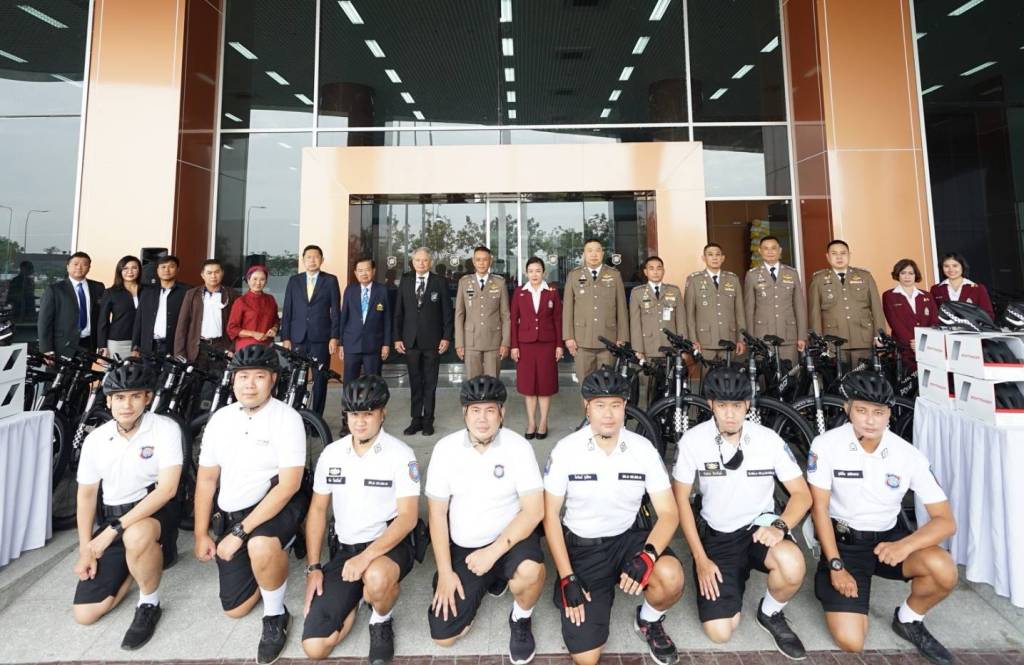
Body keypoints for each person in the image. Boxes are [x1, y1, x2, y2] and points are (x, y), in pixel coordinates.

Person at [808, 371, 957, 664]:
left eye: (879, 412)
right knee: (852, 642)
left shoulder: (908, 454)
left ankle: (909, 619)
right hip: (844, 543)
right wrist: (836, 565)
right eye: (862, 410)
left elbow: (945, 521)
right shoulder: (825, 445)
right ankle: (827, 579)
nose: (870, 420)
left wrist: (905, 545)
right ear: (847, 408)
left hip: (889, 542)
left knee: (944, 569)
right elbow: (819, 510)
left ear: (890, 412)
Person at [543, 368, 684, 665]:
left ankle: (648, 620)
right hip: (584, 547)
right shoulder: (566, 450)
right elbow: (550, 516)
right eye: (600, 405)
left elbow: (669, 513)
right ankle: (568, 587)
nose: (608, 414)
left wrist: (648, 556)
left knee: (671, 576)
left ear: (625, 406)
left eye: (616, 405)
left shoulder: (643, 449)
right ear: (586, 406)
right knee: (586, 657)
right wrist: (567, 576)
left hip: (628, 538)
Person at [671, 367, 811, 659]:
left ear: (747, 404)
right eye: (722, 405)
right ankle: (731, 578)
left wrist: (780, 526)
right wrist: (701, 559)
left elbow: (802, 494)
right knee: (720, 631)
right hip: (719, 534)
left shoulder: (768, 439)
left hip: (761, 527)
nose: (730, 414)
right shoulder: (693, 441)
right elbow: (680, 500)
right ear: (711, 404)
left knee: (792, 564)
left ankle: (770, 613)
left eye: (737, 405)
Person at [193, 344, 308, 664]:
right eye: (243, 377)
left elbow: (289, 485)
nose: (250, 384)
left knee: (260, 546)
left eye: (259, 376)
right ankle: (267, 562)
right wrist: (201, 533)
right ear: (233, 380)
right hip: (233, 512)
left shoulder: (287, 418)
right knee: (236, 609)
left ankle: (275, 614)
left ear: (273, 379)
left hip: (275, 504)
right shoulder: (220, 419)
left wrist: (240, 533)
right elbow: (206, 479)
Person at [425, 376, 546, 664]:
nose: (482, 418)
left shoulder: (518, 447)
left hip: (510, 540)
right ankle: (489, 579)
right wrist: (445, 572)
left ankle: (521, 617)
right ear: (464, 413)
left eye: (490, 410)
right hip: (465, 547)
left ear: (502, 413)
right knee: (443, 636)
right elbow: (437, 514)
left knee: (530, 572)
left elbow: (534, 511)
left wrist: (493, 553)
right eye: (475, 410)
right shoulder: (445, 449)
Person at [301, 375, 419, 663]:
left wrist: (365, 559)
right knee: (315, 648)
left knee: (376, 578)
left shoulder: (401, 455)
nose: (361, 422)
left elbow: (407, 518)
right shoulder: (332, 454)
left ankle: (381, 619)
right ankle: (355, 596)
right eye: (354, 414)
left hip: (388, 545)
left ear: (382, 413)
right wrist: (314, 568)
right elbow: (317, 511)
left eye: (368, 414)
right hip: (345, 550)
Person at [71, 364, 182, 650]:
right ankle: (137, 566)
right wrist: (86, 549)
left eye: (135, 396)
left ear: (147, 398)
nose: (127, 405)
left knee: (136, 535)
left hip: (154, 511)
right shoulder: (96, 439)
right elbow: (86, 496)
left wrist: (112, 532)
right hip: (113, 516)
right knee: (85, 614)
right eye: (119, 397)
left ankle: (149, 603)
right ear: (108, 401)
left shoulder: (164, 428)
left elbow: (167, 490)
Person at [393, 247, 453, 436]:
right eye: (417, 260)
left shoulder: (439, 282)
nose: (421, 263)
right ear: (412, 262)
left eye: (425, 260)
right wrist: (397, 338)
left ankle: (428, 420)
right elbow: (398, 312)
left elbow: (447, 313)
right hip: (410, 341)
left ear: (430, 262)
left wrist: (446, 337)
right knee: (415, 381)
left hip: (433, 341)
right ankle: (415, 419)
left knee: (430, 382)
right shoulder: (405, 280)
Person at [280, 245, 341, 415]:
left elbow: (336, 311)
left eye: (316, 257)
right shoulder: (294, 280)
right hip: (297, 338)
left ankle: (316, 418)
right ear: (303, 260)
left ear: (322, 260)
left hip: (321, 338)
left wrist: (334, 337)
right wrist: (285, 337)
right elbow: (287, 310)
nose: (312, 260)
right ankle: (297, 416)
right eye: (309, 257)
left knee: (320, 379)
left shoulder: (330, 280)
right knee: (297, 379)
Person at [510, 257, 563, 440]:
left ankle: (543, 423)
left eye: (538, 271)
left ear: (544, 273)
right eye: (531, 271)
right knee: (529, 386)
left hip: (547, 344)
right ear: (526, 273)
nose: (534, 274)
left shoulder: (552, 292)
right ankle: (531, 422)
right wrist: (514, 345)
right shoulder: (519, 292)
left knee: (545, 385)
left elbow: (557, 320)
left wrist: (559, 345)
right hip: (525, 344)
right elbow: (513, 320)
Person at [562, 238, 629, 383]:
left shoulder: (614, 275)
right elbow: (567, 309)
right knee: (585, 385)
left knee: (607, 385)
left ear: (603, 254)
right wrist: (568, 337)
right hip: (582, 341)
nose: (594, 254)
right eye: (590, 251)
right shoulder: (574, 275)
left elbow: (621, 307)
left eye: (598, 250)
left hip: (609, 341)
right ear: (584, 254)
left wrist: (622, 336)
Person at [808, 240, 885, 362]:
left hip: (863, 338)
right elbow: (814, 313)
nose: (839, 257)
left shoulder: (865, 277)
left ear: (849, 255)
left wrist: (879, 336)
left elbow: (877, 309)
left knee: (863, 373)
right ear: (827, 256)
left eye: (843, 253)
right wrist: (818, 341)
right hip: (833, 341)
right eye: (834, 253)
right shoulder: (818, 279)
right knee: (838, 373)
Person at [744, 236, 807, 365]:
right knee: (765, 373)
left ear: (780, 250)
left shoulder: (792, 273)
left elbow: (799, 307)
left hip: (788, 335)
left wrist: (802, 336)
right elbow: (749, 309)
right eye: (766, 248)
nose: (770, 252)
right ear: (760, 251)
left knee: (790, 372)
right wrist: (751, 339)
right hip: (762, 337)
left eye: (773, 248)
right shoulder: (752, 275)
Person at [455, 246, 511, 379]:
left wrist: (505, 342)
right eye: (478, 260)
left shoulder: (499, 283)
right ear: (473, 261)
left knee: (492, 382)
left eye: (485, 260)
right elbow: (459, 315)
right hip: (471, 340)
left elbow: (505, 315)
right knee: (473, 382)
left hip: (493, 340)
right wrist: (459, 343)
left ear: (490, 261)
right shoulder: (464, 282)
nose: (481, 263)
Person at [38, 251, 105, 357]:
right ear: (68, 267)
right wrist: (46, 349)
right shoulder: (55, 289)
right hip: (63, 345)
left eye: (84, 264)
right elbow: (44, 322)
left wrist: (102, 344)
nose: (79, 267)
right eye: (75, 264)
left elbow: (102, 318)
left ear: (89, 268)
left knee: (87, 368)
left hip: (89, 344)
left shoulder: (98, 287)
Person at [684, 243, 746, 358]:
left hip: (728, 338)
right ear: (704, 258)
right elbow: (689, 314)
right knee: (706, 370)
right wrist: (693, 340)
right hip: (704, 341)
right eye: (710, 254)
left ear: (723, 258)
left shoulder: (733, 279)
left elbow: (740, 312)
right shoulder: (694, 280)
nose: (714, 258)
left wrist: (741, 339)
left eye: (718, 255)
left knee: (728, 370)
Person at [174, 259, 240, 363]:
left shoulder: (232, 295)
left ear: (222, 273)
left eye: (217, 272)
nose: (213, 276)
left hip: (222, 348)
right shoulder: (192, 294)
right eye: (209, 273)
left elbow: (238, 324)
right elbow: (182, 325)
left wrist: (232, 348)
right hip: (197, 349)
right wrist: (179, 354)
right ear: (202, 275)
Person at [339, 257, 391, 382]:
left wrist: (386, 344)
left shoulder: (382, 290)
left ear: (373, 271)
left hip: (374, 345)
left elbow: (388, 320)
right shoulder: (350, 290)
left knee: (373, 383)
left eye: (367, 270)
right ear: (355, 273)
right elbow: (343, 317)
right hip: (351, 344)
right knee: (350, 383)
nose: (364, 273)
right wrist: (341, 344)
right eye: (360, 271)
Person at [882, 259, 938, 371]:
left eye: (911, 273)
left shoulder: (926, 295)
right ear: (897, 275)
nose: (907, 277)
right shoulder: (889, 295)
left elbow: (934, 321)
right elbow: (894, 322)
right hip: (903, 348)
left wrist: (922, 341)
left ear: (915, 275)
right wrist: (912, 342)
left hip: (927, 346)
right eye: (903, 273)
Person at [629, 256, 685, 363]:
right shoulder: (637, 293)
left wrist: (682, 347)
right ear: (645, 272)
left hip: (671, 347)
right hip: (648, 347)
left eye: (659, 268)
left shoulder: (674, 291)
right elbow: (635, 324)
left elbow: (681, 321)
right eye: (651, 268)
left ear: (663, 271)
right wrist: (638, 350)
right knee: (648, 374)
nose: (655, 272)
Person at [132, 255, 188, 359]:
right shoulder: (147, 292)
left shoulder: (187, 292)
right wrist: (135, 347)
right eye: (163, 267)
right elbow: (139, 320)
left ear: (177, 269)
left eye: (171, 266)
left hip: (173, 346)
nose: (167, 270)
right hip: (148, 346)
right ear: (157, 270)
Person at [97, 255, 142, 360]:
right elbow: (103, 321)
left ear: (139, 270)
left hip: (142, 343)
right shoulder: (111, 292)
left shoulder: (147, 291)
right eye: (125, 268)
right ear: (119, 271)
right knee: (116, 370)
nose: (130, 272)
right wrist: (102, 346)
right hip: (117, 342)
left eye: (134, 268)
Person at [228, 265, 280, 352]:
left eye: (262, 279)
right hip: (247, 349)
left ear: (266, 281)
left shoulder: (270, 299)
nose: (258, 283)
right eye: (255, 279)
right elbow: (232, 328)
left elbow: (276, 321)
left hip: (267, 347)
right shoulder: (241, 301)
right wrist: (253, 334)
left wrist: (274, 329)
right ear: (248, 280)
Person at [930, 252, 994, 320]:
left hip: (970, 327)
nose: (951, 269)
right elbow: (933, 315)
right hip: (944, 326)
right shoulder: (936, 289)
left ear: (962, 266)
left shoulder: (978, 288)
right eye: (946, 266)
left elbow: (988, 315)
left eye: (955, 266)